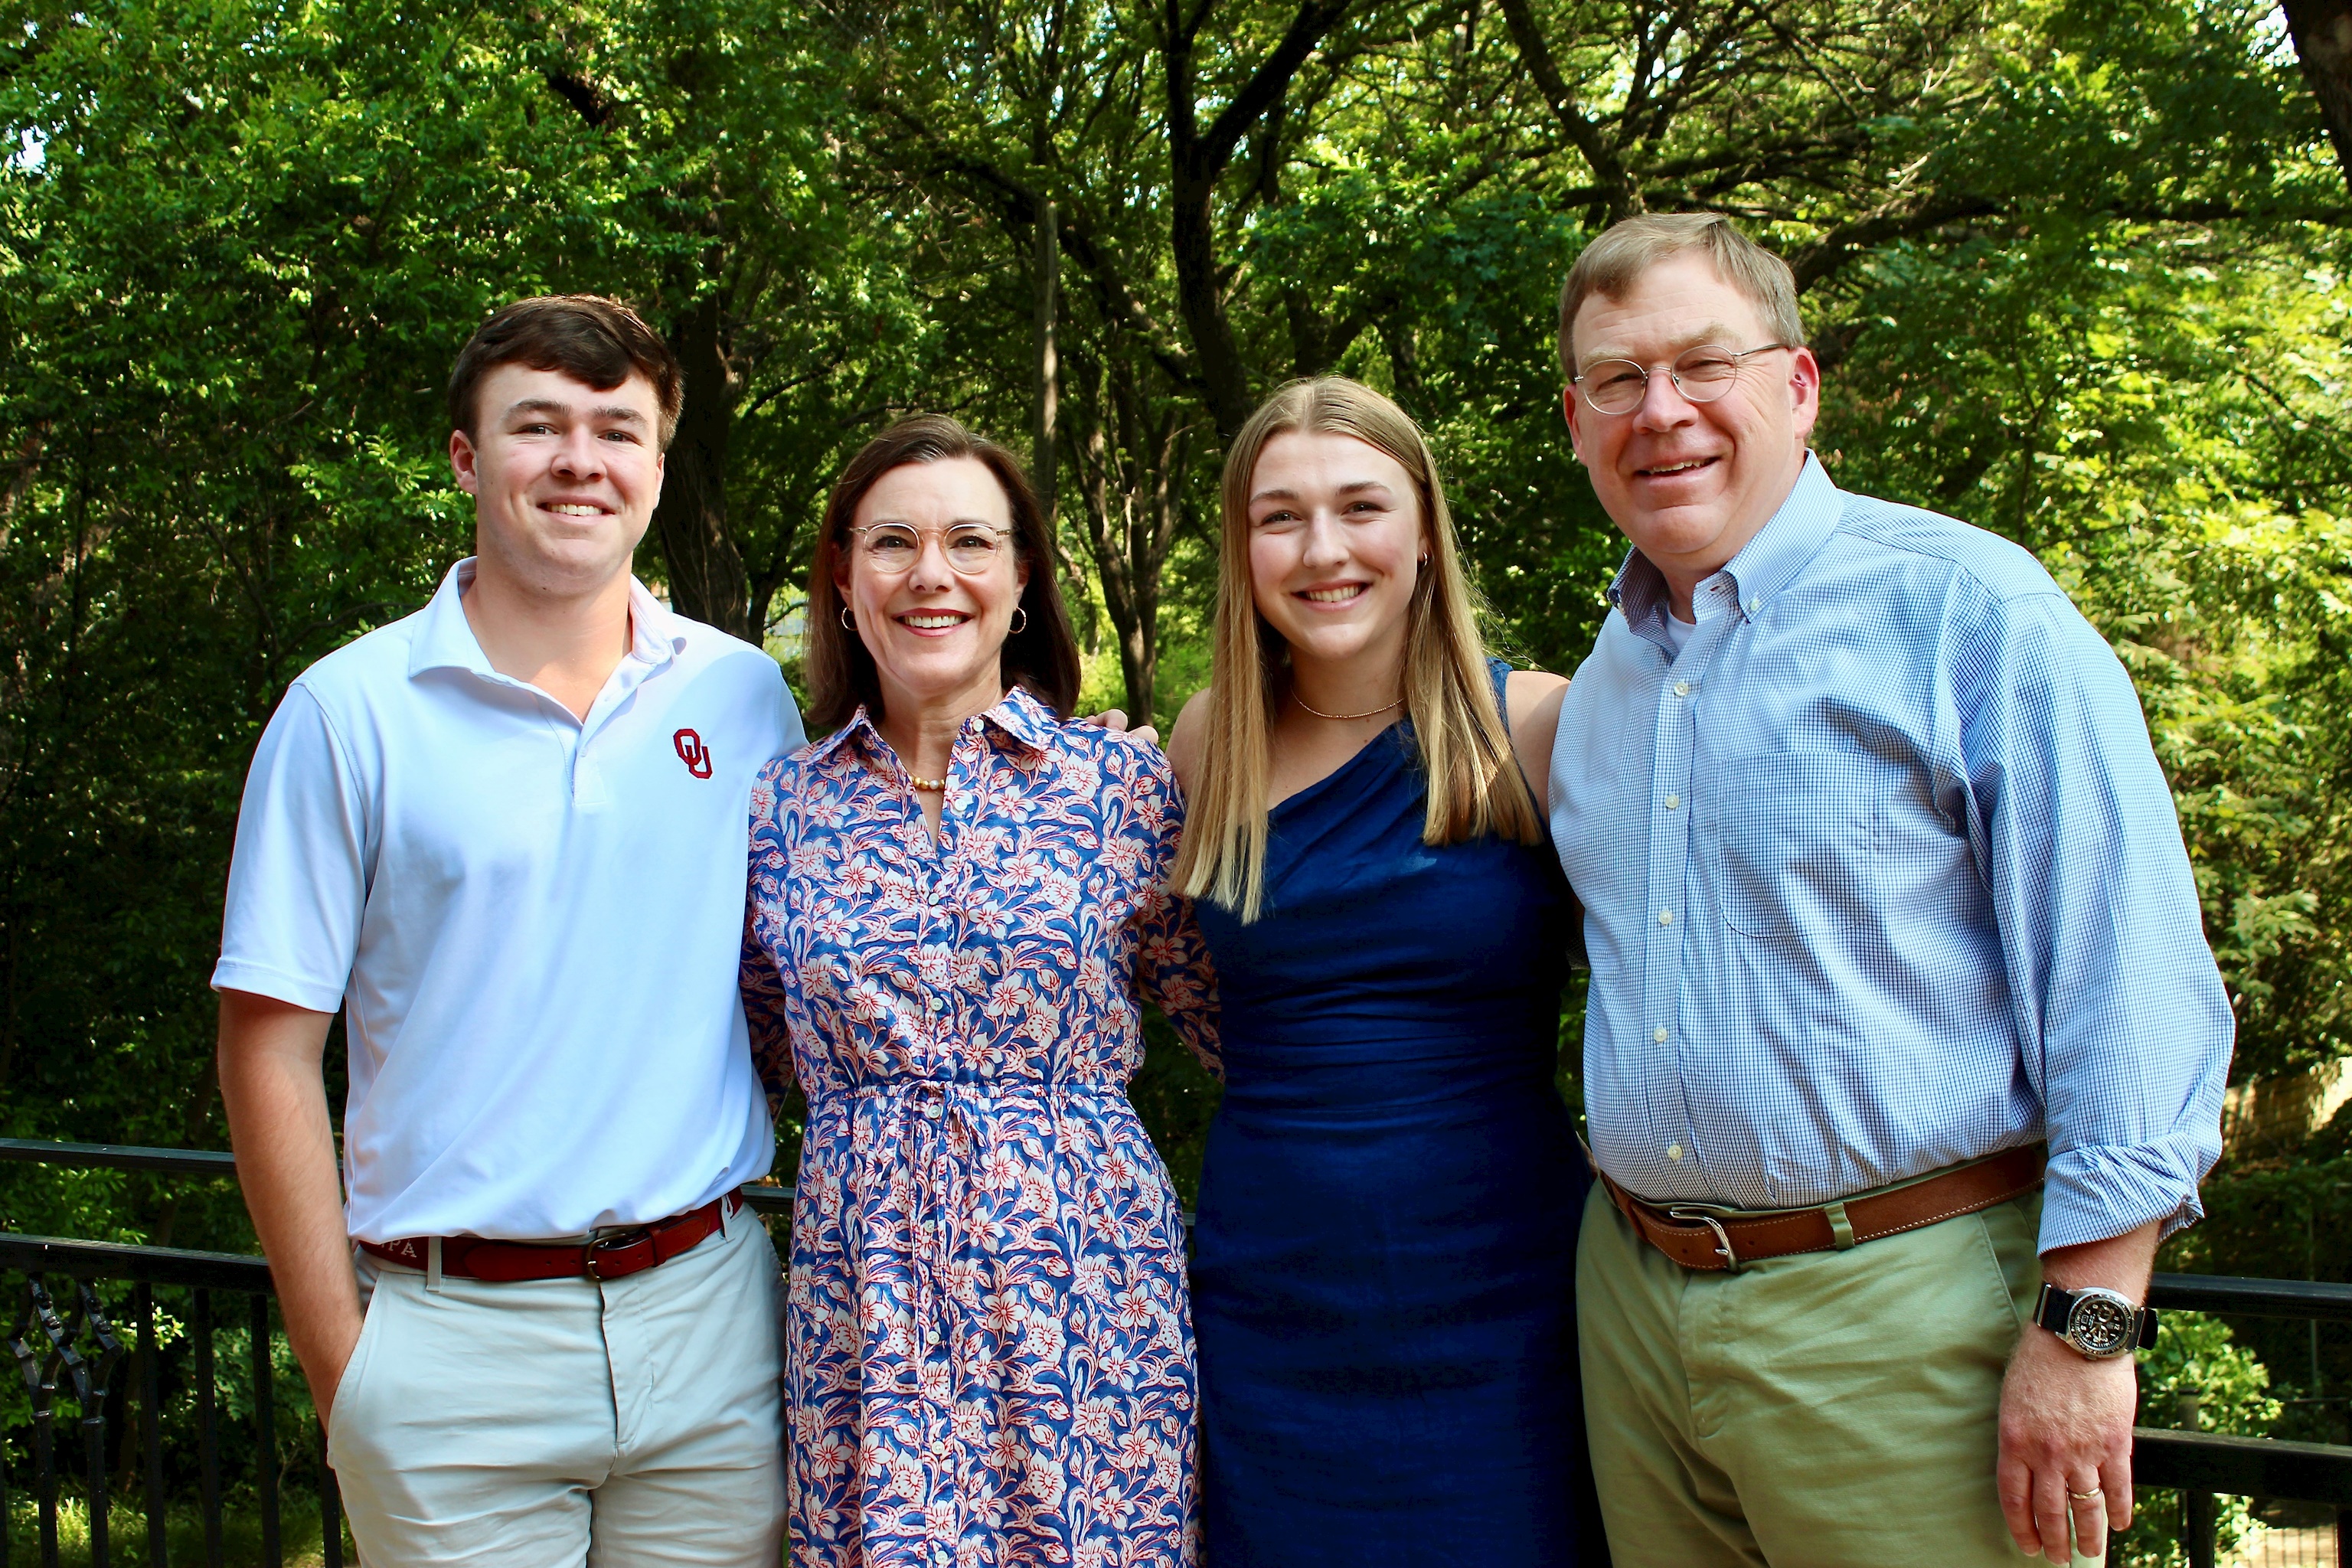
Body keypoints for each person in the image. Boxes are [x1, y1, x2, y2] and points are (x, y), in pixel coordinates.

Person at [1546, 213, 2233, 1568]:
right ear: (1577, 420)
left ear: (1797, 387)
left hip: (1907, 1316)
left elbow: (2128, 983)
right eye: (1617, 380)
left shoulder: (1968, 612)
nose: (1660, 412)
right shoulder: (1602, 685)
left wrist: (2089, 1335)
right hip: (1634, 1315)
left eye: (1703, 365)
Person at [212, 295, 805, 1566]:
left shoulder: (745, 696)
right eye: (538, 426)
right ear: (468, 461)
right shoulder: (347, 712)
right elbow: (266, 1047)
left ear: (655, 467)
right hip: (448, 1345)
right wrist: (344, 1370)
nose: (580, 459)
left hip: (710, 1318)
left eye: (616, 429)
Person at [740, 415, 1220, 1568]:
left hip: (1086, 1285)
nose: (930, 573)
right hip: (868, 1296)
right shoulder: (779, 810)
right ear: (846, 587)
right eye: (893, 542)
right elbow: (758, 1046)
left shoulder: (1123, 785)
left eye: (969, 541)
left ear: (1020, 584)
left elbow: (1237, 1024)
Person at [1165, 377, 1600, 1566]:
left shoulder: (1541, 728)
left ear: (1423, 532)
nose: (1322, 551)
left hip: (1506, 1289)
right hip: (1273, 1290)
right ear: (1243, 546)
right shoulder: (1206, 742)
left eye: (1360, 507)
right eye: (1280, 517)